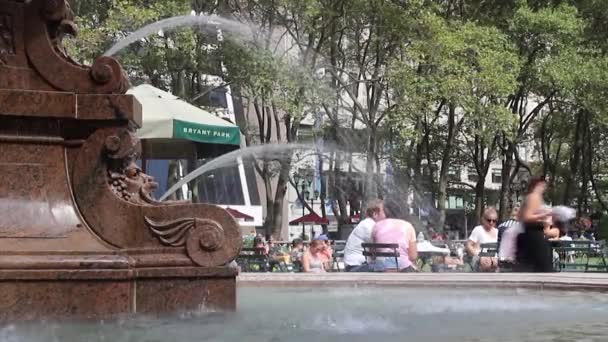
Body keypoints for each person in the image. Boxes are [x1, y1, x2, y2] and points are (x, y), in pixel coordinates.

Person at [515, 177, 553, 272]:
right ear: (537, 185)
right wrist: (545, 215)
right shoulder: (534, 197)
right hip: (534, 234)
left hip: (528, 234)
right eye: (542, 185)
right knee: (543, 267)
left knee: (529, 267)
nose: (544, 188)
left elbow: (519, 216)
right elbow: (526, 217)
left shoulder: (529, 197)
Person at [343, 199, 386, 272]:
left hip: (359, 265)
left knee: (387, 265)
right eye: (384, 211)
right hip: (354, 267)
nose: (386, 214)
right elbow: (381, 247)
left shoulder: (368, 224)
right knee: (387, 265)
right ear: (375, 214)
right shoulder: (369, 226)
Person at [466, 207, 499, 272]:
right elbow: (468, 245)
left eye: (494, 221)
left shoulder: (497, 231)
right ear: (483, 219)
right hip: (479, 260)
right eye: (489, 220)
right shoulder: (478, 229)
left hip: (493, 261)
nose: (491, 223)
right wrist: (478, 256)